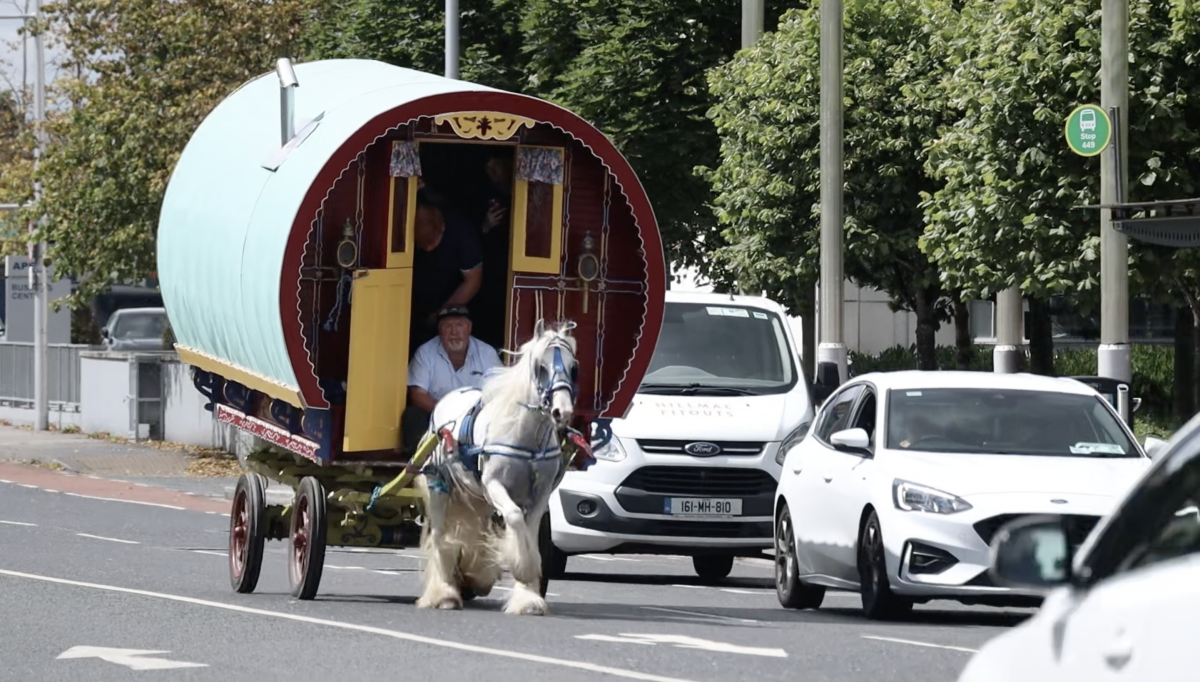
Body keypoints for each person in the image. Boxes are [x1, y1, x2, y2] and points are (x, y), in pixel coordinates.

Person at [401, 307, 502, 456]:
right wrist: (446, 414)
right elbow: (417, 395)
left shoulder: (487, 354)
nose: (454, 332)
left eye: (460, 325)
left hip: (475, 418)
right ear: (439, 330)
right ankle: (421, 468)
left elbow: (499, 393)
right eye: (448, 326)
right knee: (413, 415)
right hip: (435, 415)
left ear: (469, 328)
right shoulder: (426, 352)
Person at [410, 190, 484, 356]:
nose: (427, 249)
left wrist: (440, 315)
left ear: (441, 225)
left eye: (431, 242)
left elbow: (473, 280)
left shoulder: (461, 231)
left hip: (449, 309)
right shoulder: (406, 225)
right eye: (421, 245)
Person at [470, 147, 514, 349]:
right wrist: (485, 226)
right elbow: (469, 238)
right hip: (488, 272)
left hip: (515, 270)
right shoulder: (480, 194)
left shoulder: (526, 191)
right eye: (488, 166)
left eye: (496, 164)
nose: (492, 170)